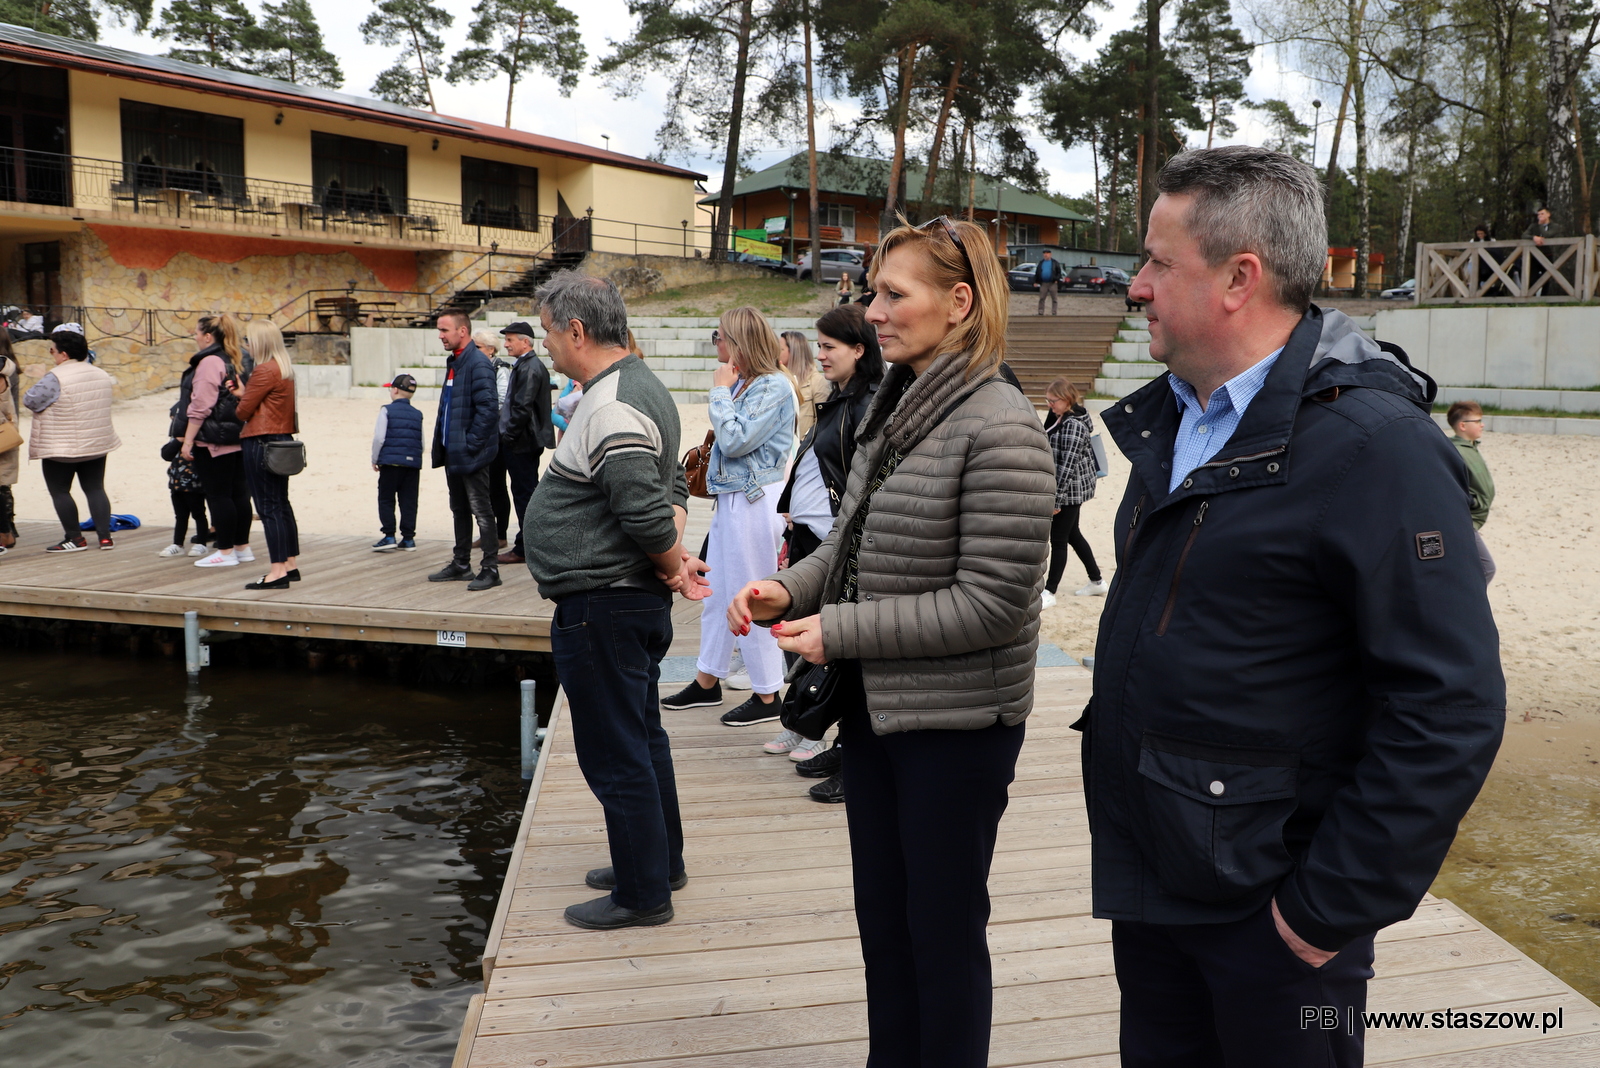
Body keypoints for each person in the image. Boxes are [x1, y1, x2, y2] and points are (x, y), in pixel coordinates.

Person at [1088, 145, 1504, 1067]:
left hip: (1275, 922)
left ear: (1240, 278)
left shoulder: (1376, 448)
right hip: (1157, 885)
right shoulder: (1176, 417)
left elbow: (1449, 709)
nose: (1137, 287)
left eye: (1158, 261)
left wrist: (1320, 914)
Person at [727, 215, 1054, 1068]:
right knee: (887, 927)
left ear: (959, 302)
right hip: (880, 715)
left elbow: (991, 603)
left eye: (891, 293)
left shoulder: (1003, 426)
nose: (872, 310)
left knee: (942, 938)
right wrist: (787, 589)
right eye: (873, 292)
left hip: (957, 730)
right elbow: (852, 542)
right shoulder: (896, 400)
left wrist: (840, 629)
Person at [522, 270, 708, 930]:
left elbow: (645, 510)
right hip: (624, 600)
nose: (545, 344)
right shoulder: (638, 387)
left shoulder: (611, 405)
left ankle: (641, 893)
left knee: (616, 751)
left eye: (547, 331)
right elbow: (674, 494)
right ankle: (658, 864)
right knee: (643, 737)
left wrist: (672, 566)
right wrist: (674, 559)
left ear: (576, 330)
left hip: (605, 604)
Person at [767, 301, 884, 795]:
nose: (821, 355)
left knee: (842, 644)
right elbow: (815, 463)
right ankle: (823, 733)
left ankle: (840, 746)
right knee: (820, 639)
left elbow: (860, 477)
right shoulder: (840, 397)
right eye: (819, 345)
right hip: (816, 534)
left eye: (830, 347)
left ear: (860, 349)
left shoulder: (867, 401)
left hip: (838, 536)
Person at [659, 307, 797, 726]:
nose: (715, 342)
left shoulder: (773, 386)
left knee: (752, 595)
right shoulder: (749, 383)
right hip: (735, 500)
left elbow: (735, 442)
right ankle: (707, 680)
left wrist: (719, 392)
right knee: (717, 591)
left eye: (719, 335)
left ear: (738, 341)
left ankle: (769, 693)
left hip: (754, 502)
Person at [22, 326, 122, 552]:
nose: (52, 354)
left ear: (63, 354)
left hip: (61, 446)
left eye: (52, 350)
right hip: (97, 442)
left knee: (60, 490)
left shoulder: (55, 377)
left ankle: (74, 538)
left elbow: (30, 400)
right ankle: (105, 538)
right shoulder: (101, 373)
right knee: (95, 488)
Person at [428, 310, 501, 591]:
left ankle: (490, 568)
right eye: (439, 330)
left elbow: (488, 411)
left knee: (481, 510)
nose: (440, 335)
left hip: (471, 454)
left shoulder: (478, 364)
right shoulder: (455, 362)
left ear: (462, 331)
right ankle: (461, 564)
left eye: (445, 330)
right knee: (459, 509)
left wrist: (470, 445)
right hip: (453, 453)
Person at [179, 314, 255, 568]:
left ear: (208, 336)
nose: (195, 337)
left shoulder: (210, 361)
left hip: (214, 439)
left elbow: (200, 405)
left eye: (197, 333)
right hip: (240, 435)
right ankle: (242, 548)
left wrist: (188, 440)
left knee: (219, 495)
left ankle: (225, 551)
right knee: (239, 494)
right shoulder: (241, 356)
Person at [232, 320, 300, 590]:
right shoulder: (284, 369)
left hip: (261, 443)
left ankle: (277, 571)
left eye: (249, 339)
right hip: (281, 442)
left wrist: (241, 396)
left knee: (268, 508)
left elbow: (242, 413)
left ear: (259, 342)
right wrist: (245, 393)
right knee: (281, 504)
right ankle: (290, 564)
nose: (247, 344)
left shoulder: (264, 370)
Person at [1040, 377, 1106, 607]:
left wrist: (1056, 500)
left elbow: (1067, 465)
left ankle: (1049, 592)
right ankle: (1097, 580)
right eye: (1047, 400)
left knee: (1058, 539)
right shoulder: (1060, 418)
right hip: (1068, 488)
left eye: (1053, 401)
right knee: (1072, 534)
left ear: (1067, 400)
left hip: (1071, 491)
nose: (1049, 405)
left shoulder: (1074, 425)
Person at [495, 321, 555, 566]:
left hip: (522, 442)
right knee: (525, 493)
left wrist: (508, 437)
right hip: (524, 440)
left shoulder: (530, 367)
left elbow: (522, 408)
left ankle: (525, 547)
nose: (506, 344)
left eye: (510, 340)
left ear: (525, 342)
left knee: (524, 495)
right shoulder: (526, 365)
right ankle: (528, 545)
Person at [372, 374, 423, 552]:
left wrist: (375, 459)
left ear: (394, 390)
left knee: (386, 498)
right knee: (409, 500)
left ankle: (389, 535)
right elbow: (422, 443)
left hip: (390, 462)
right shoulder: (417, 414)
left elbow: (379, 437)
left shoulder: (386, 410)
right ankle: (408, 538)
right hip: (412, 464)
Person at [1447, 400, 1496, 583]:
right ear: (1462, 426)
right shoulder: (1457, 451)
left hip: (1471, 521)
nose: (1482, 424)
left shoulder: (1470, 448)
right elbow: (1450, 486)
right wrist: (1472, 503)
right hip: (1464, 521)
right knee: (1486, 568)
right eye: (1477, 421)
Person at [476, 328, 513, 553]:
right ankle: (486, 532)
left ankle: (500, 535)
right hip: (481, 434)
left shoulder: (501, 369)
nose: (474, 351)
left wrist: (480, 414)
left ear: (490, 349)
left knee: (497, 485)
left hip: (495, 435)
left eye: (478, 347)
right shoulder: (475, 367)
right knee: (482, 486)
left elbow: (501, 400)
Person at [157, 439, 209, 557]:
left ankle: (201, 543)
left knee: (198, 514)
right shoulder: (177, 441)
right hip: (176, 485)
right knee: (180, 516)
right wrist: (178, 440)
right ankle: (178, 544)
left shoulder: (201, 442)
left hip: (195, 486)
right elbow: (166, 454)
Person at [782, 329, 828, 440]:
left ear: (793, 351)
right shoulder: (778, 380)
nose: (775, 353)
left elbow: (822, 422)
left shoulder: (817, 381)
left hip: (803, 449)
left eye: (780, 349)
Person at [0, 332, 21, 556]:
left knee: (1, 484)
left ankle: (5, 532)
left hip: (2, 429)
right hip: (9, 429)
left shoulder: (2, 371)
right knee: (3, 484)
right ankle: (8, 529)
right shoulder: (11, 367)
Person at [1037, 248, 1062, 315]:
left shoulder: (1055, 263)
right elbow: (1037, 272)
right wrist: (1036, 281)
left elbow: (1059, 273)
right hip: (1044, 283)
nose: (1046, 255)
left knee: (1054, 299)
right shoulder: (1041, 263)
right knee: (1042, 298)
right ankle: (1041, 311)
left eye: (1047, 253)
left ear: (1050, 254)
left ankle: (1054, 312)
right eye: (1044, 253)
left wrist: (1056, 279)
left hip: (1053, 283)